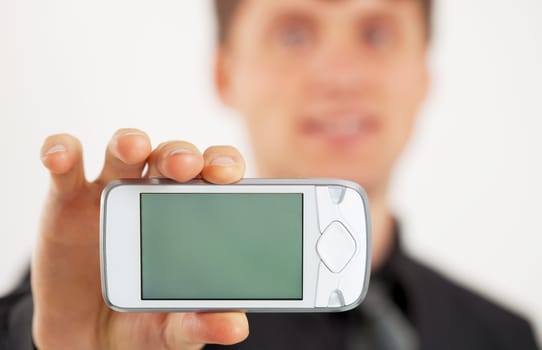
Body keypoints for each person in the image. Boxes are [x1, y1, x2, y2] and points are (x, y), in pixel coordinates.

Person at [1, 0, 539, 349]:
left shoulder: (506, 336)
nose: (339, 75)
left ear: (423, 72)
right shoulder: (138, 317)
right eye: (293, 36)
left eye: (375, 35)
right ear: (224, 74)